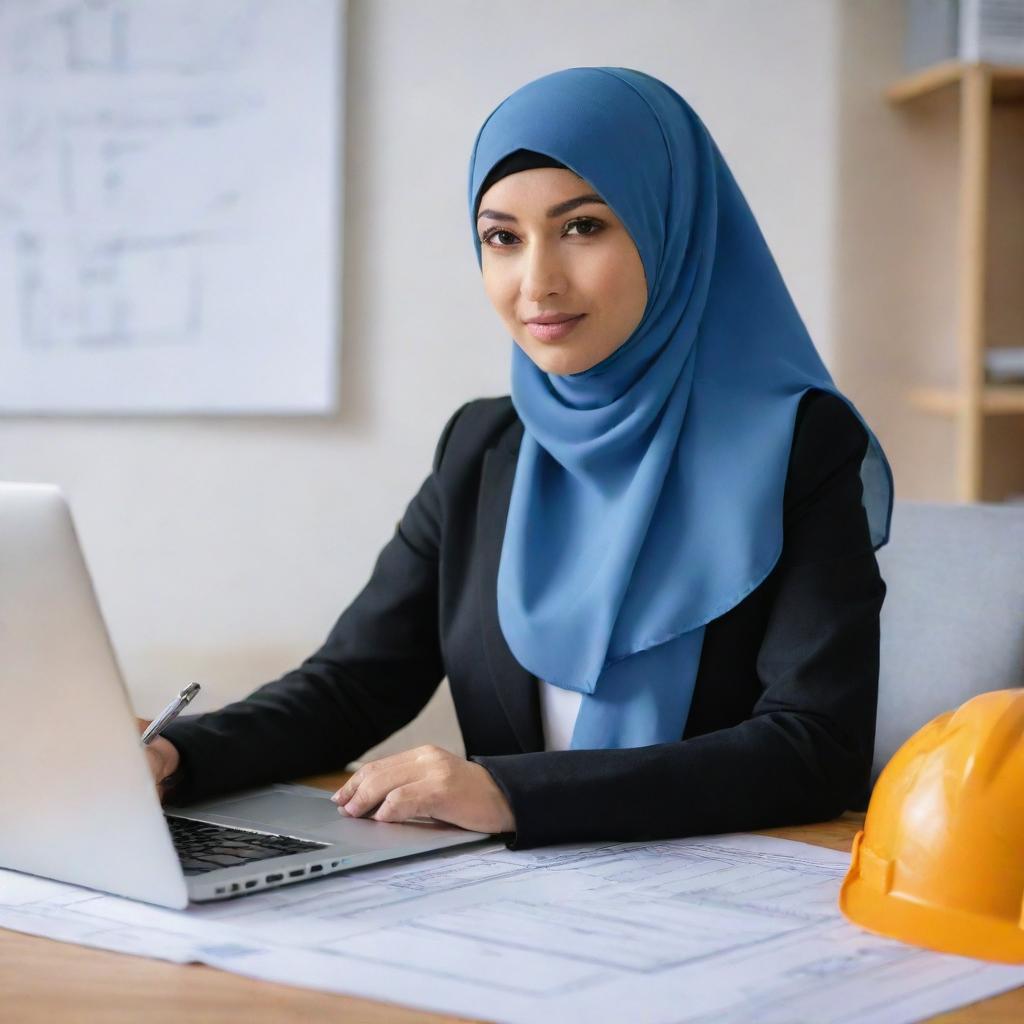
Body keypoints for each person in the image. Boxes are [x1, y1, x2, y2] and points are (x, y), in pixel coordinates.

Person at [144, 66, 894, 849]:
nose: (536, 282)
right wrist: (176, 754)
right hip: (513, 915)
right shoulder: (482, 446)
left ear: (672, 229)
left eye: (583, 227)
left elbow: (816, 749)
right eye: (503, 238)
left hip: (733, 902)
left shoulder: (798, 444)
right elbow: (352, 686)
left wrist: (512, 793)